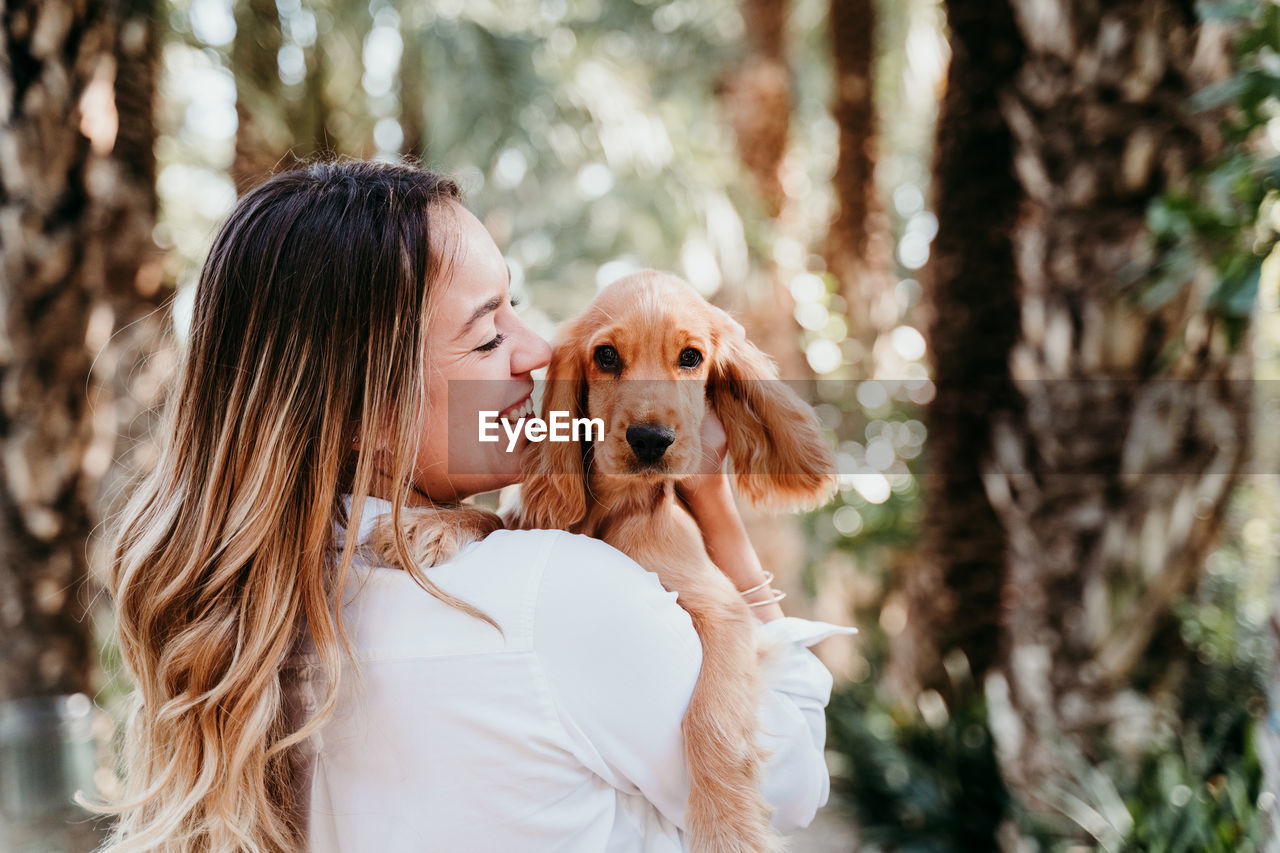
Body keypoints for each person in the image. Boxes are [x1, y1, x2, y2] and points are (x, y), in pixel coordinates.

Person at [104, 160, 852, 852]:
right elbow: (789, 780)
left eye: (516, 308)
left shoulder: (259, 616)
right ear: (367, 414)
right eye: (490, 334)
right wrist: (720, 519)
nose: (538, 351)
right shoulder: (558, 594)